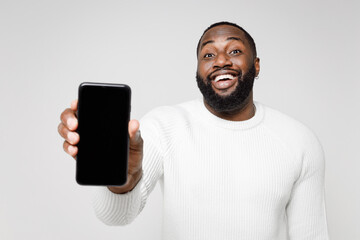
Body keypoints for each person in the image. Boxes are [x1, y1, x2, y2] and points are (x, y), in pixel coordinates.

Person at [58, 21, 330, 239]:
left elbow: (311, 235)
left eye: (234, 50)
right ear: (199, 70)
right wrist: (123, 181)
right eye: (208, 54)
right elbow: (116, 217)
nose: (220, 60)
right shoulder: (164, 125)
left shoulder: (299, 141)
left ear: (256, 65)